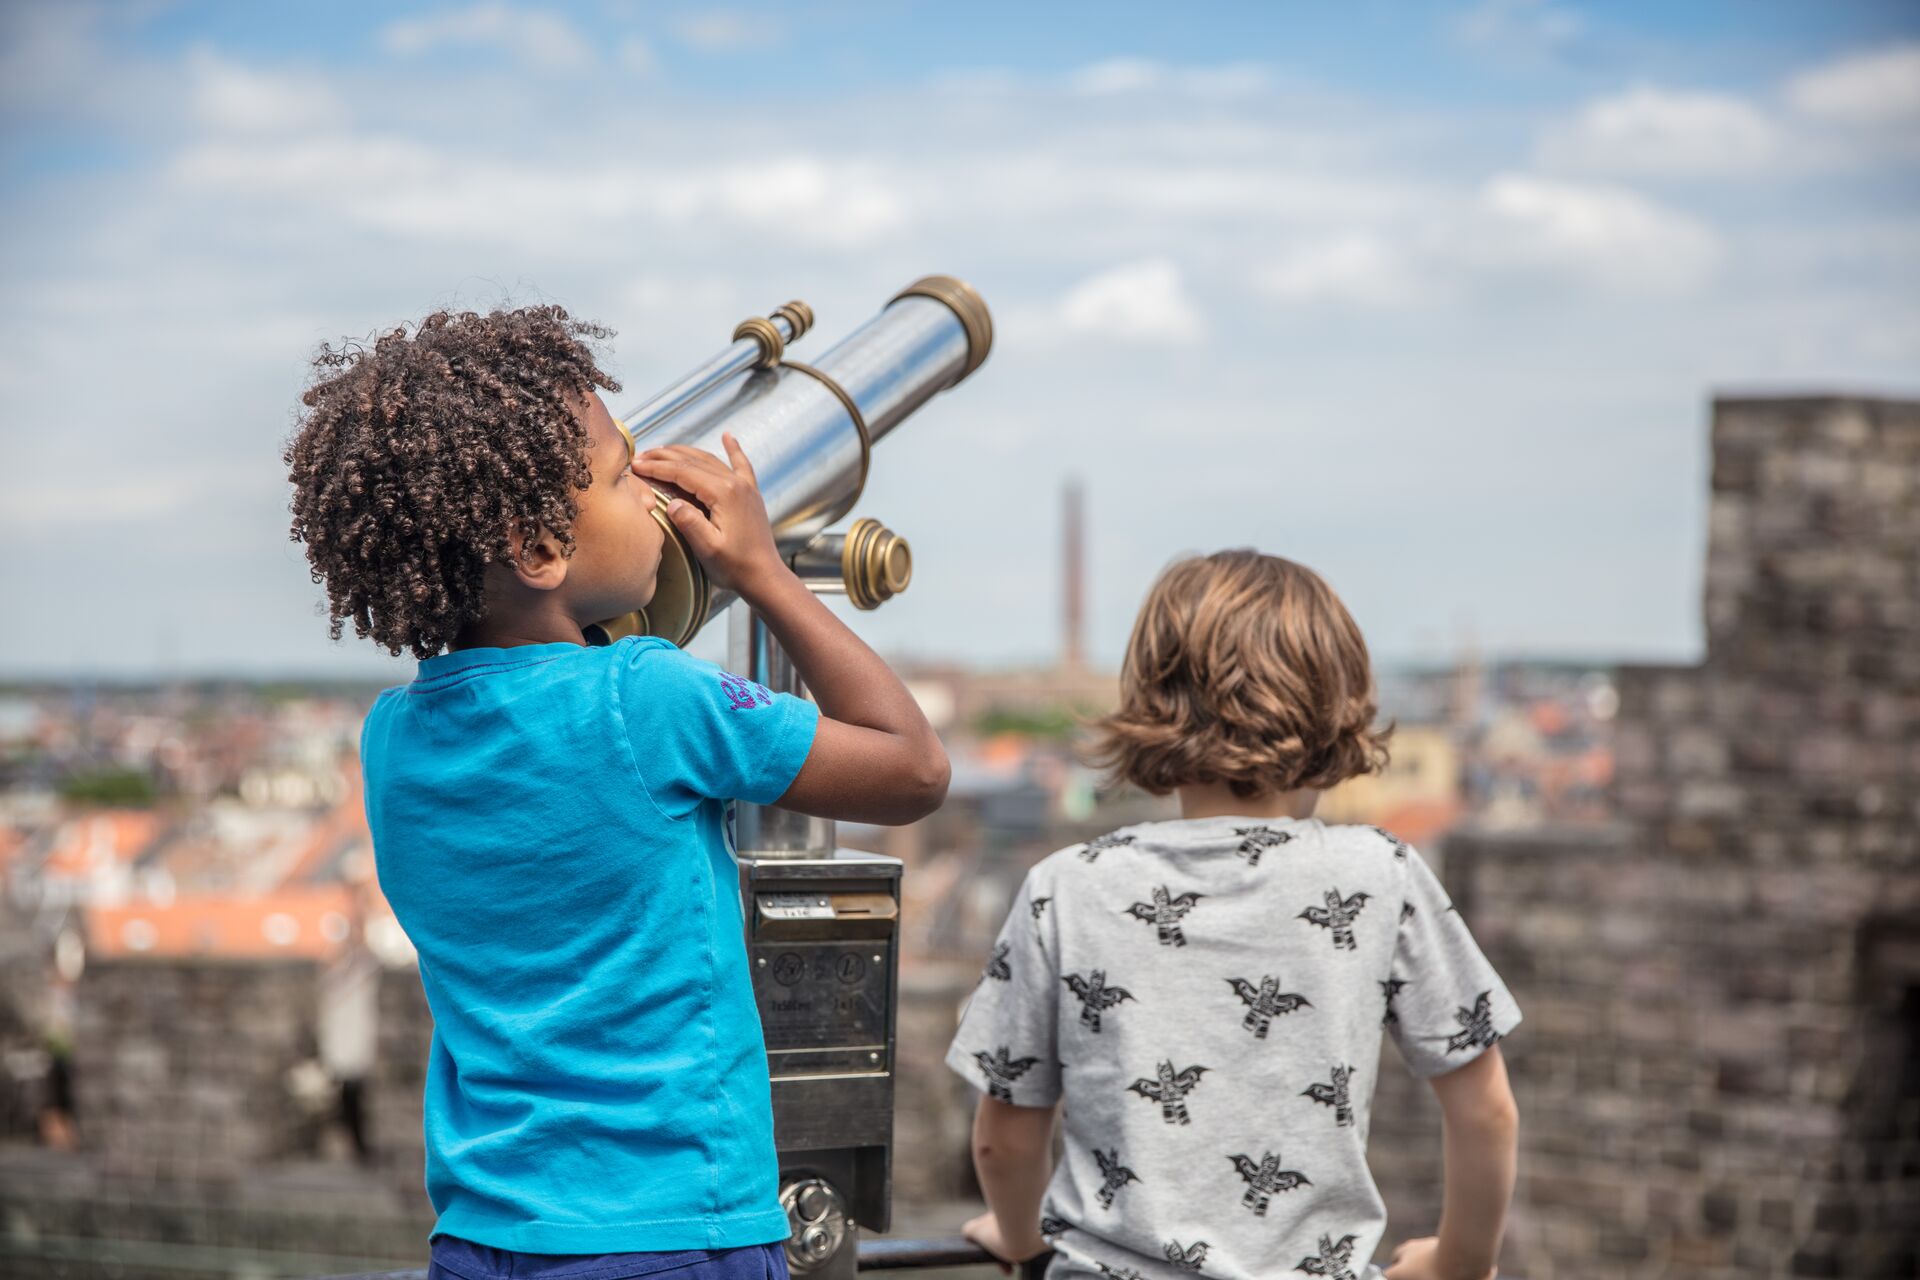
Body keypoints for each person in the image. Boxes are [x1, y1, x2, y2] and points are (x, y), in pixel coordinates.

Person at [285, 306, 949, 1280]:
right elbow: (912, 765)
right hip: (677, 1226)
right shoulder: (647, 696)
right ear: (539, 547)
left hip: (488, 1231)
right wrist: (762, 572)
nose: (649, 491)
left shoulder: (392, 738)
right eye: (619, 474)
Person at [946, 550, 1521, 1280]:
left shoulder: (1065, 888)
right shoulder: (1381, 875)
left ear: (1152, 697)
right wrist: (1457, 1264)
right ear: (1334, 704)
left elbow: (1005, 1137)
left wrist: (1023, 1239)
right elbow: (1487, 1112)